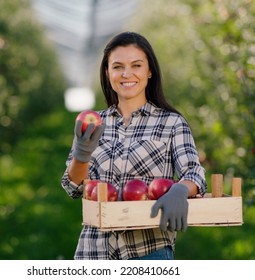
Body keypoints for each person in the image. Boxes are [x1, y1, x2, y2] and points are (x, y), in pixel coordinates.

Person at [61, 31, 207, 260]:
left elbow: (194, 173)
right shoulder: (93, 123)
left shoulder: (171, 122)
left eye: (136, 65)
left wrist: (180, 189)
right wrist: (82, 155)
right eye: (117, 66)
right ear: (107, 73)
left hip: (148, 251)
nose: (127, 74)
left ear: (149, 71)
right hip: (94, 251)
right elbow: (73, 188)